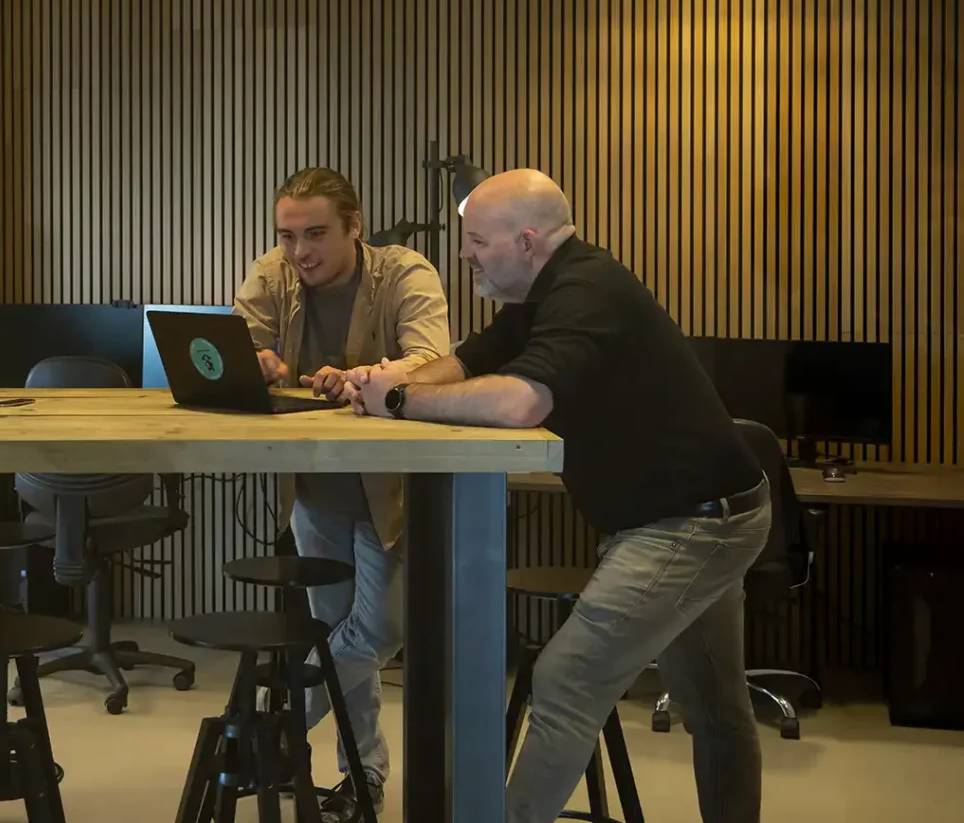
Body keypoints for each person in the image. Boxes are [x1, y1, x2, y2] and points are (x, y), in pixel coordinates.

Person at [346, 168, 771, 823]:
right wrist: (381, 386)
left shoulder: (586, 291)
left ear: (524, 242)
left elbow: (520, 401)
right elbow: (469, 359)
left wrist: (399, 400)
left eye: (476, 241)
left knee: (568, 679)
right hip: (690, 511)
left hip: (696, 523)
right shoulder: (544, 294)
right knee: (714, 708)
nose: (463, 254)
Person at [232, 166, 450, 821]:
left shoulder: (405, 272)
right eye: (288, 235)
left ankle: (281, 722)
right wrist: (257, 360)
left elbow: (434, 358)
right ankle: (365, 780)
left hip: (393, 493)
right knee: (334, 632)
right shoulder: (274, 272)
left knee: (375, 632)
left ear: (356, 227)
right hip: (316, 488)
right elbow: (234, 336)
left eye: (317, 234)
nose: (300, 252)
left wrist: (367, 376)